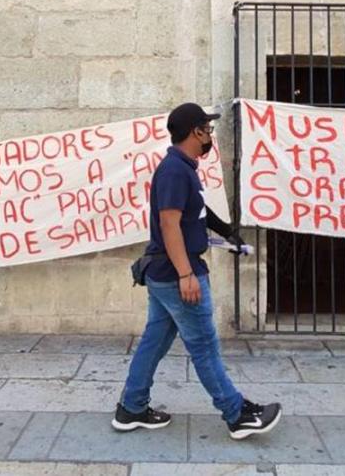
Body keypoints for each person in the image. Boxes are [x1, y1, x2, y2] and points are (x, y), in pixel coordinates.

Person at [113, 102, 282, 440]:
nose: (210, 135)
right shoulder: (176, 170)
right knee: (204, 345)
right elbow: (169, 223)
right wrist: (187, 274)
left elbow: (197, 209)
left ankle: (131, 407)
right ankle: (237, 415)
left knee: (154, 342)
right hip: (178, 274)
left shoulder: (182, 168)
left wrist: (227, 232)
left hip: (165, 273)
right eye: (207, 128)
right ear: (195, 132)